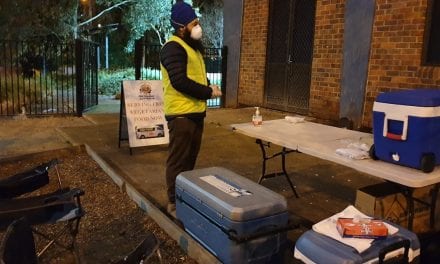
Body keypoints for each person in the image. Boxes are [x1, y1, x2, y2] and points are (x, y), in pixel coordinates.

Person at [160, 1, 222, 214]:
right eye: (193, 23)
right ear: (181, 28)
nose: (198, 27)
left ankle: (184, 198)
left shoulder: (192, 48)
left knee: (189, 162)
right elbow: (179, 81)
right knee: (178, 162)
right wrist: (208, 92)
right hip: (181, 115)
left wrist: (207, 85)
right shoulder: (172, 47)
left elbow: (195, 76)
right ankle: (174, 203)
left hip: (195, 113)